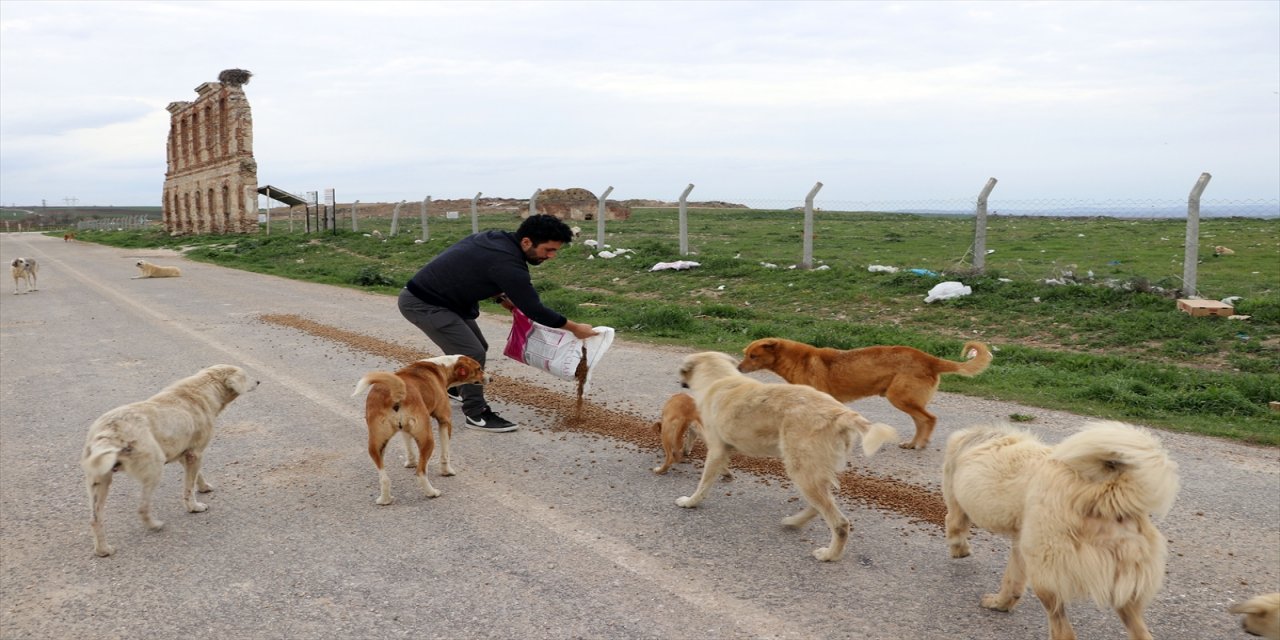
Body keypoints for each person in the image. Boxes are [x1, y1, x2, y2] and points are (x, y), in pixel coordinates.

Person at [398, 214, 597, 432]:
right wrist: (575, 328)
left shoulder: (498, 240)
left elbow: (477, 269)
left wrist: (502, 298)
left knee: (478, 347)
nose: (551, 256)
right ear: (526, 242)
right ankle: (476, 413)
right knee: (472, 352)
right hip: (424, 304)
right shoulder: (508, 262)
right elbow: (534, 310)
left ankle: (457, 386)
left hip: (446, 301)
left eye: (555, 251)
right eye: (548, 250)